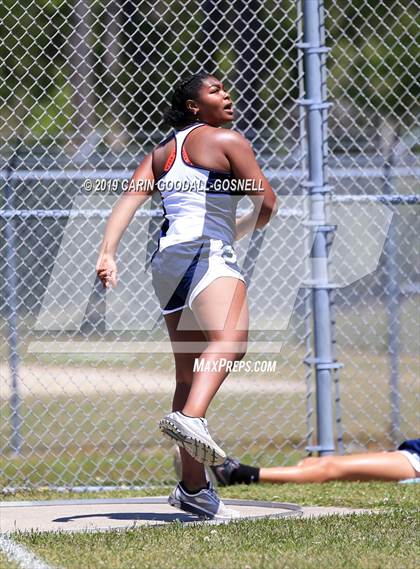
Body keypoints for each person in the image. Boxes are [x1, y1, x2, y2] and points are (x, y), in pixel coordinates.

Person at [96, 71, 278, 519]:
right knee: (232, 343)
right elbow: (268, 203)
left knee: (187, 375)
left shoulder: (160, 153)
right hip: (204, 252)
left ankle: (194, 488)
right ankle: (192, 420)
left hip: (166, 261)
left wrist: (108, 253)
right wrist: (237, 230)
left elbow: (128, 200)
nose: (227, 93)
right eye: (215, 90)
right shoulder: (229, 141)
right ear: (195, 106)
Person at [194, 438, 420, 486]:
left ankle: (236, 473)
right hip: (412, 452)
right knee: (311, 464)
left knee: (328, 468)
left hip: (414, 460)